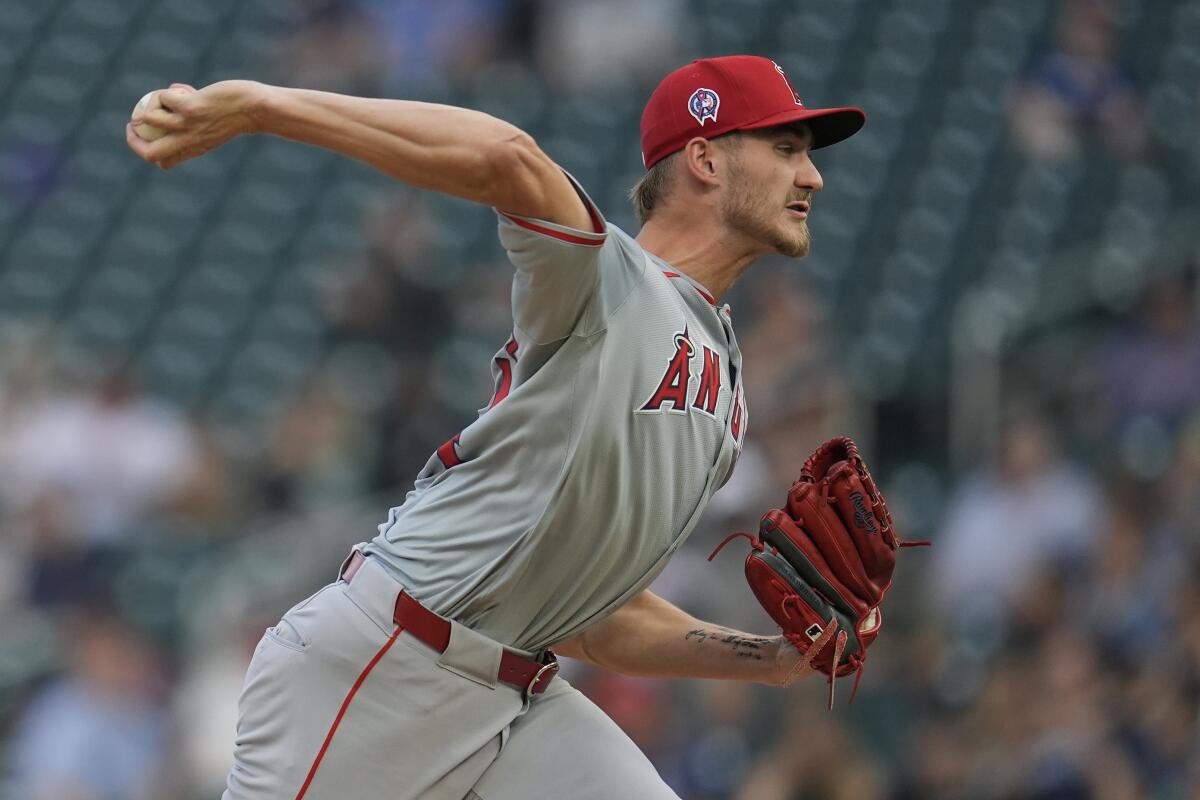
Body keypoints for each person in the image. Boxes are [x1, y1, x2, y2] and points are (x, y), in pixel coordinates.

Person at [127, 55, 866, 800]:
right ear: (705, 158)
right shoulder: (608, 280)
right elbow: (507, 157)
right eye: (785, 149)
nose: (812, 177)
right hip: (385, 667)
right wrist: (260, 105)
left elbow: (593, 619)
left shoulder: (729, 388)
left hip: (519, 696)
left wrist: (770, 658)